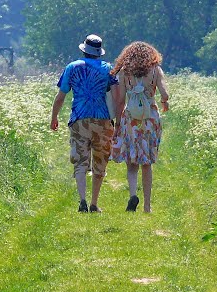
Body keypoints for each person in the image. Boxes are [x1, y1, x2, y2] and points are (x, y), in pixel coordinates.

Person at [50, 34, 119, 213]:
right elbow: (117, 96)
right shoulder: (108, 69)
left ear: (84, 50)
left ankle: (82, 200)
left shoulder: (72, 67)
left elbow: (61, 96)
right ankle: (94, 203)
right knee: (100, 161)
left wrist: (54, 117)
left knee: (80, 161)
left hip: (79, 119)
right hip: (103, 120)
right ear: (99, 52)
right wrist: (119, 121)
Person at [109, 41, 170, 214]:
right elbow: (164, 93)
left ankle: (133, 194)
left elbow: (120, 101)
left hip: (131, 119)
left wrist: (119, 123)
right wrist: (164, 101)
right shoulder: (155, 70)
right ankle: (147, 206)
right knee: (147, 162)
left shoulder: (124, 73)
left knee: (132, 160)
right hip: (150, 117)